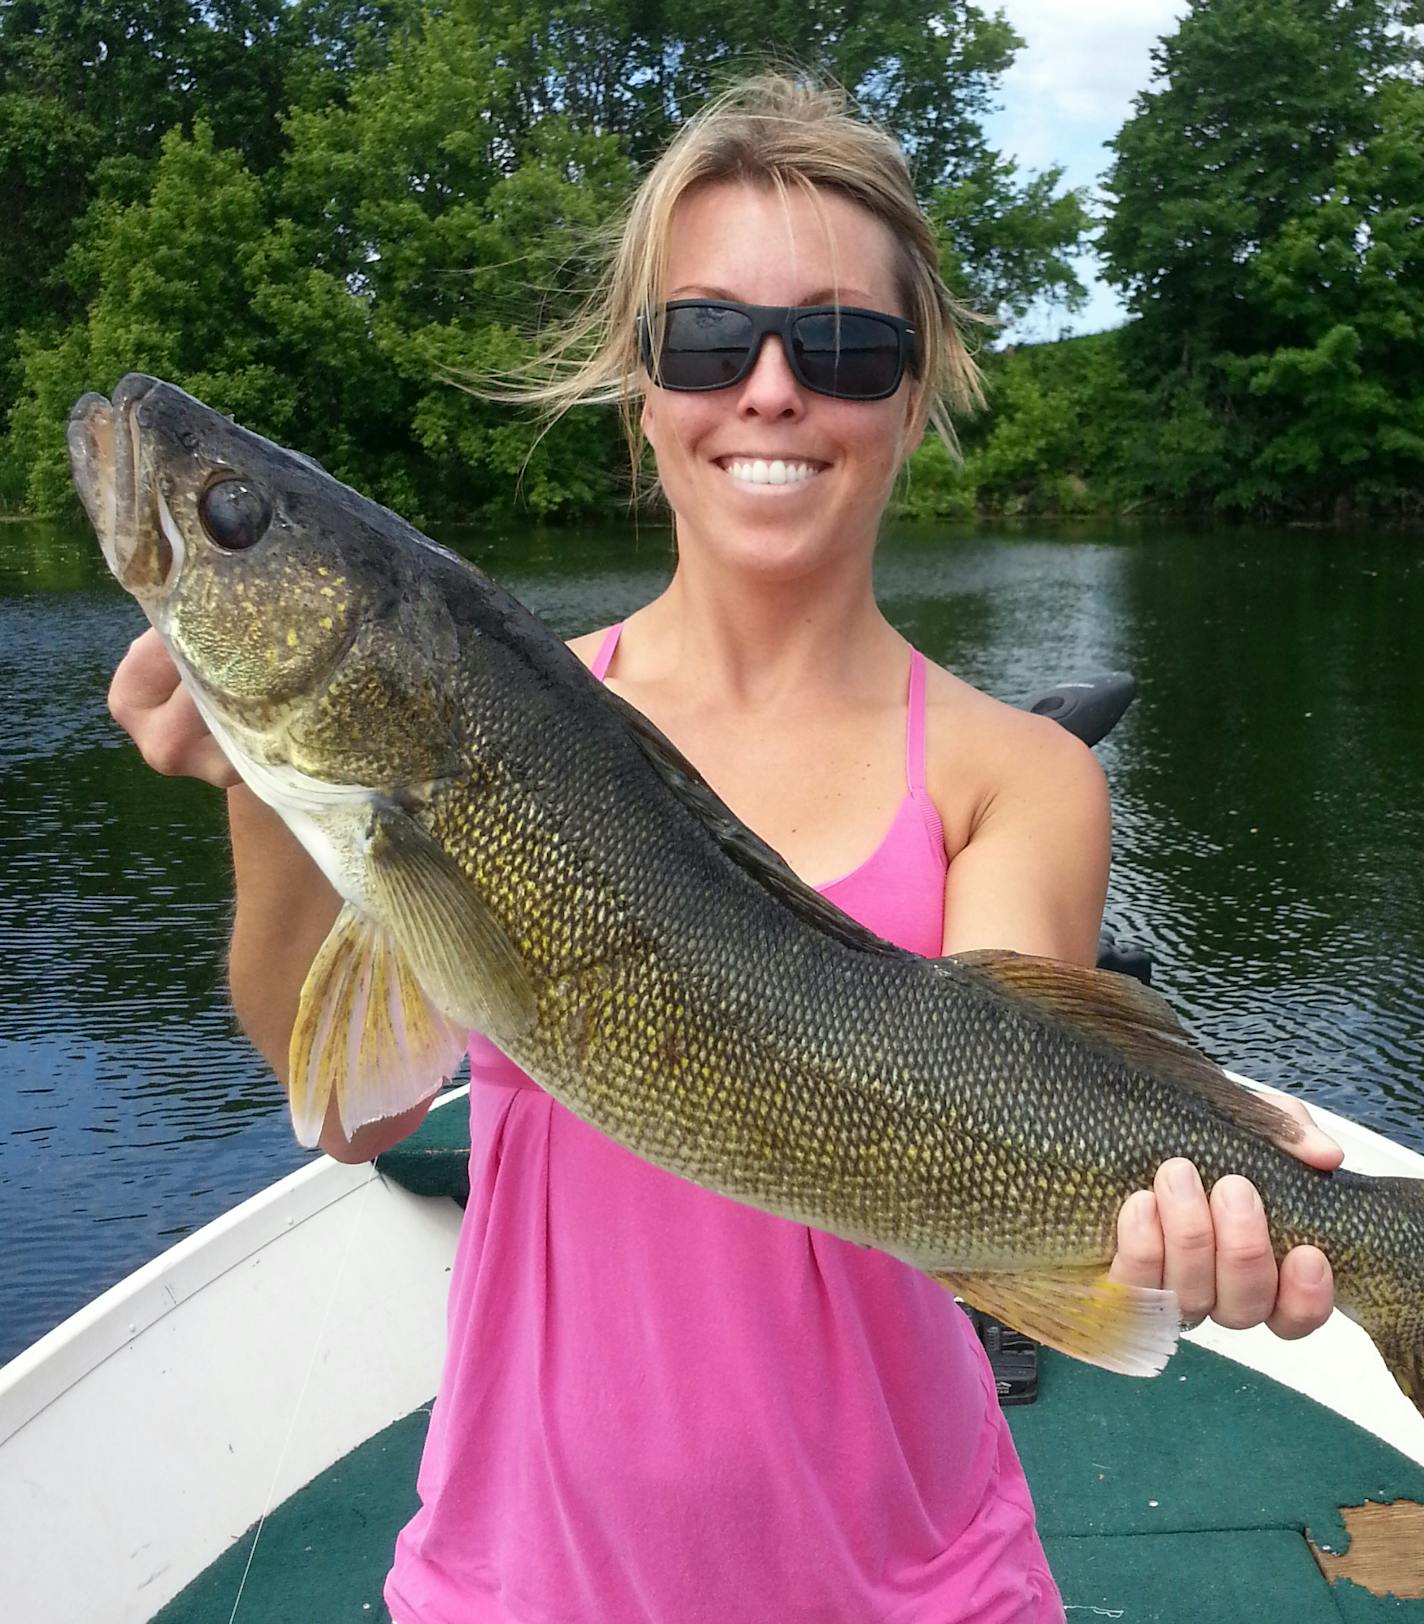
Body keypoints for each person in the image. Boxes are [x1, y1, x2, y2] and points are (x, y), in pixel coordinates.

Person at [108, 75, 1342, 1624]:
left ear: (912, 393)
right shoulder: (500, 725)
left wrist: (1215, 1222)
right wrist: (256, 779)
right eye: (707, 338)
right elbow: (353, 1108)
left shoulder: (1015, 775)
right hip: (524, 1576)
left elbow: (1017, 1110)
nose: (769, 388)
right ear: (646, 389)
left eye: (839, 344)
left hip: (911, 1586)